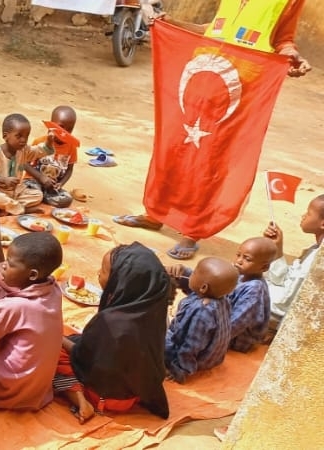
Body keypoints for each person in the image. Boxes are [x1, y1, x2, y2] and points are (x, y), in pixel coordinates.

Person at [115, 0, 311, 260]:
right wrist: (172, 23)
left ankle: (192, 230)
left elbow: (283, 40)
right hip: (200, 79)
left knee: (210, 160)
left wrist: (292, 56)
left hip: (237, 91)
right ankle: (155, 213)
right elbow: (214, 29)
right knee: (175, 147)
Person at [53, 243, 173, 424]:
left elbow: (83, 358)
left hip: (106, 397)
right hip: (135, 393)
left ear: (122, 281)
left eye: (103, 271)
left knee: (52, 355)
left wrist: (58, 338)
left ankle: (81, 401)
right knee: (74, 340)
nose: (98, 273)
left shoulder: (111, 323)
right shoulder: (155, 311)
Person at [0, 207, 63, 410]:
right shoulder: (52, 289)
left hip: (5, 389)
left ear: (33, 274)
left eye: (10, 264)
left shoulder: (15, 307)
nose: (3, 266)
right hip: (35, 391)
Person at [168, 237, 276, 352]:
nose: (239, 261)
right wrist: (183, 273)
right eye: (238, 255)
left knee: (194, 322)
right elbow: (208, 281)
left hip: (238, 338)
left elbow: (235, 325)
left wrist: (203, 334)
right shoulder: (239, 272)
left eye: (247, 259)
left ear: (264, 267)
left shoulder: (254, 290)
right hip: (223, 320)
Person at [165, 257, 237, 383]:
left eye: (194, 273)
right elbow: (193, 285)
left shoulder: (201, 311)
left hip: (198, 360)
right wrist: (182, 274)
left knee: (152, 341)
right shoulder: (220, 297)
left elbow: (191, 345)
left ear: (203, 287)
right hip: (213, 356)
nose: (190, 274)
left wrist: (180, 370)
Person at [262, 194, 324, 331]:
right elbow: (285, 280)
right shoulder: (315, 249)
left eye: (308, 213)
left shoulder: (318, 260)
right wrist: (277, 247)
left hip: (284, 314)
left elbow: (284, 305)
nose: (303, 216)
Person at [0, 114, 47, 215]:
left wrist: (49, 143)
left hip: (13, 192)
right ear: (5, 136)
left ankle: (7, 208)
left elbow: (38, 151)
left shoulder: (24, 150)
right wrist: (3, 179)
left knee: (38, 195)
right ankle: (22, 210)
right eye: (19, 136)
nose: (23, 140)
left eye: (26, 136)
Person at [28, 106, 79, 208]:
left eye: (69, 129)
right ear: (51, 126)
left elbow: (69, 170)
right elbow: (24, 164)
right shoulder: (40, 142)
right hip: (33, 181)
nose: (64, 132)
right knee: (34, 194)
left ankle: (43, 197)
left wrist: (60, 184)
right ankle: (39, 197)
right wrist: (41, 177)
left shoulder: (71, 147)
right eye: (60, 127)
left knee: (67, 199)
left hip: (51, 186)